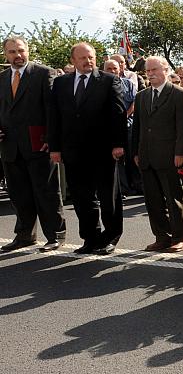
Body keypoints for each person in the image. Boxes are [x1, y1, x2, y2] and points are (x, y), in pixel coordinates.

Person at [49, 43, 126, 255]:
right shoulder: (61, 83)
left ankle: (110, 237)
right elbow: (54, 117)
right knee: (82, 199)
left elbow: (118, 114)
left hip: (103, 151)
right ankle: (90, 238)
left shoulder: (109, 80)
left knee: (108, 197)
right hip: (73, 151)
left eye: (91, 57)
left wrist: (119, 144)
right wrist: (55, 148)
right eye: (82, 57)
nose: (87, 61)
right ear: (73, 60)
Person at [0, 36, 66, 253]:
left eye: (21, 50)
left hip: (38, 143)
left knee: (46, 192)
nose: (17, 55)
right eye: (12, 52)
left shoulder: (43, 73)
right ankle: (24, 235)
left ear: (28, 50)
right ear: (5, 54)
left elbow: (52, 109)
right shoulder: (2, 78)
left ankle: (55, 236)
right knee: (19, 194)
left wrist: (51, 137)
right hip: (10, 146)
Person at [131, 56, 183, 253]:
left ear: (166, 70)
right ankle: (161, 236)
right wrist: (136, 152)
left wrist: (180, 153)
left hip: (170, 156)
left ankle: (178, 237)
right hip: (147, 156)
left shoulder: (179, 94)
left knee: (173, 199)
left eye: (155, 70)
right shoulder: (141, 96)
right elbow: (138, 128)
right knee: (153, 200)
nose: (151, 74)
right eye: (148, 71)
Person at [104, 59, 141, 197]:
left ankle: (138, 185)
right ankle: (122, 188)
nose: (112, 71)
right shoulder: (100, 85)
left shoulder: (128, 84)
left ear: (120, 69)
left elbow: (134, 102)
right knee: (116, 160)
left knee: (132, 155)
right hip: (110, 128)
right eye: (109, 69)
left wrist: (124, 116)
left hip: (128, 125)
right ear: (103, 70)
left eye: (115, 68)